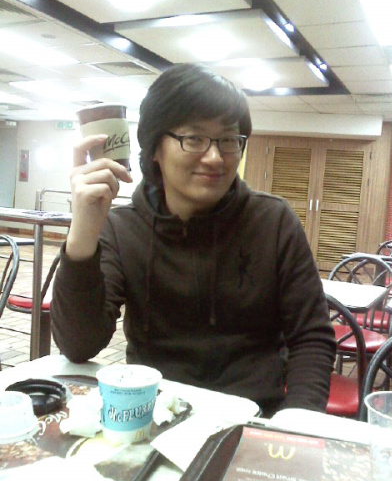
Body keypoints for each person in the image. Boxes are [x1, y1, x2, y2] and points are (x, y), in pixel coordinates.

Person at [51, 63, 336, 417]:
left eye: (228, 140)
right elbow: (78, 346)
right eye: (194, 138)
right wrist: (83, 234)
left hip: (252, 416)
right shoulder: (123, 229)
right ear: (154, 148)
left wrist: (294, 425)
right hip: (155, 415)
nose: (215, 157)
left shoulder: (274, 222)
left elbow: (311, 338)